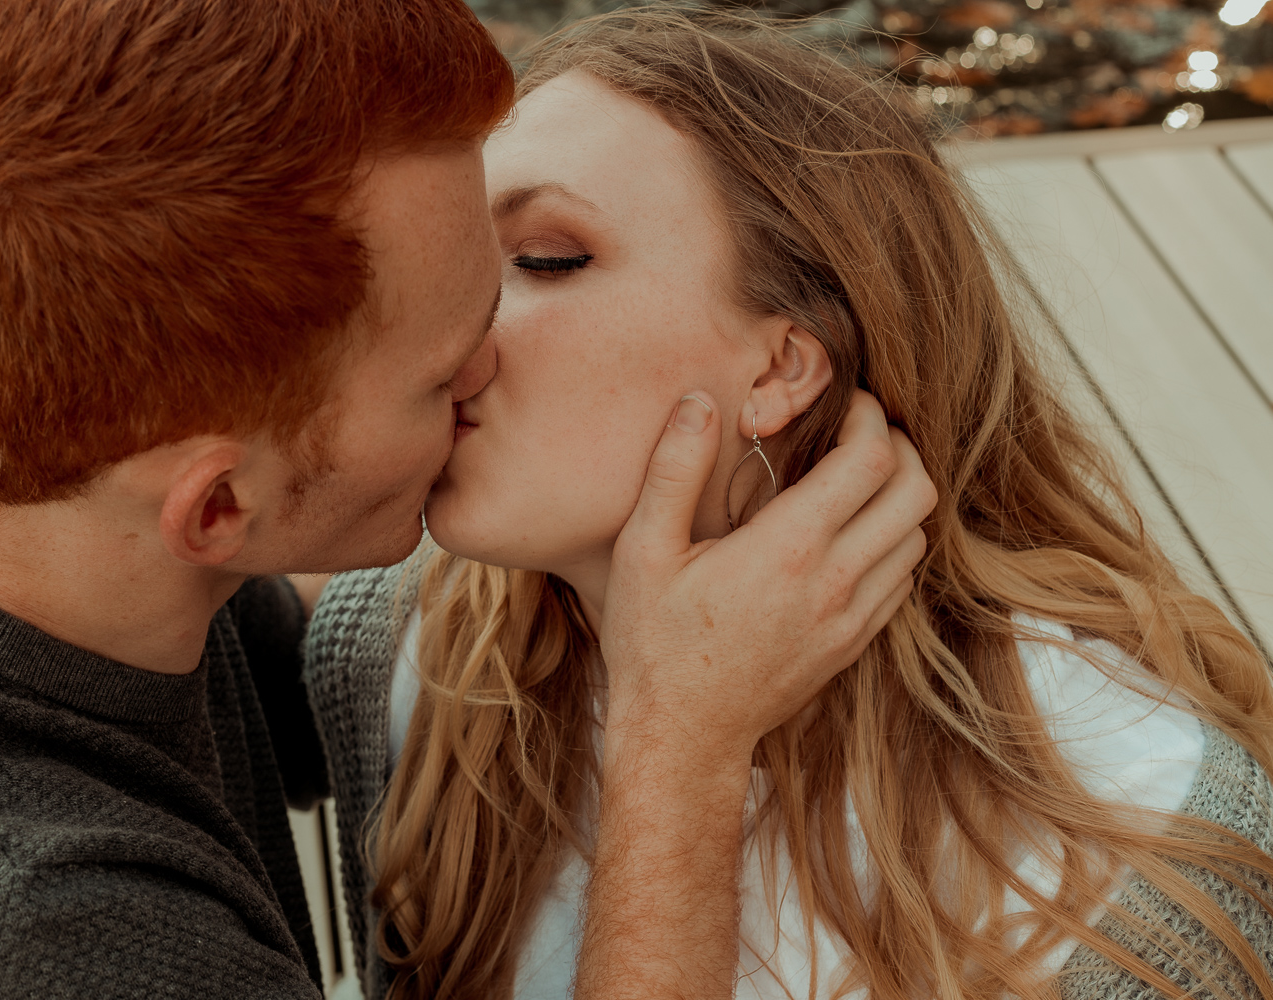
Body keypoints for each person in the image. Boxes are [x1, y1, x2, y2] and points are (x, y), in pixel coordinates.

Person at [0, 0, 935, 997]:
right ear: (218, 506)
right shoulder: (35, 936)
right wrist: (679, 741)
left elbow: (297, 656)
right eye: (442, 374)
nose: (491, 364)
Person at [302, 9, 1273, 1000]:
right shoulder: (405, 653)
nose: (450, 328)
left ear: (780, 366)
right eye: (457, 255)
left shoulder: (1126, 843)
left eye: (545, 259)